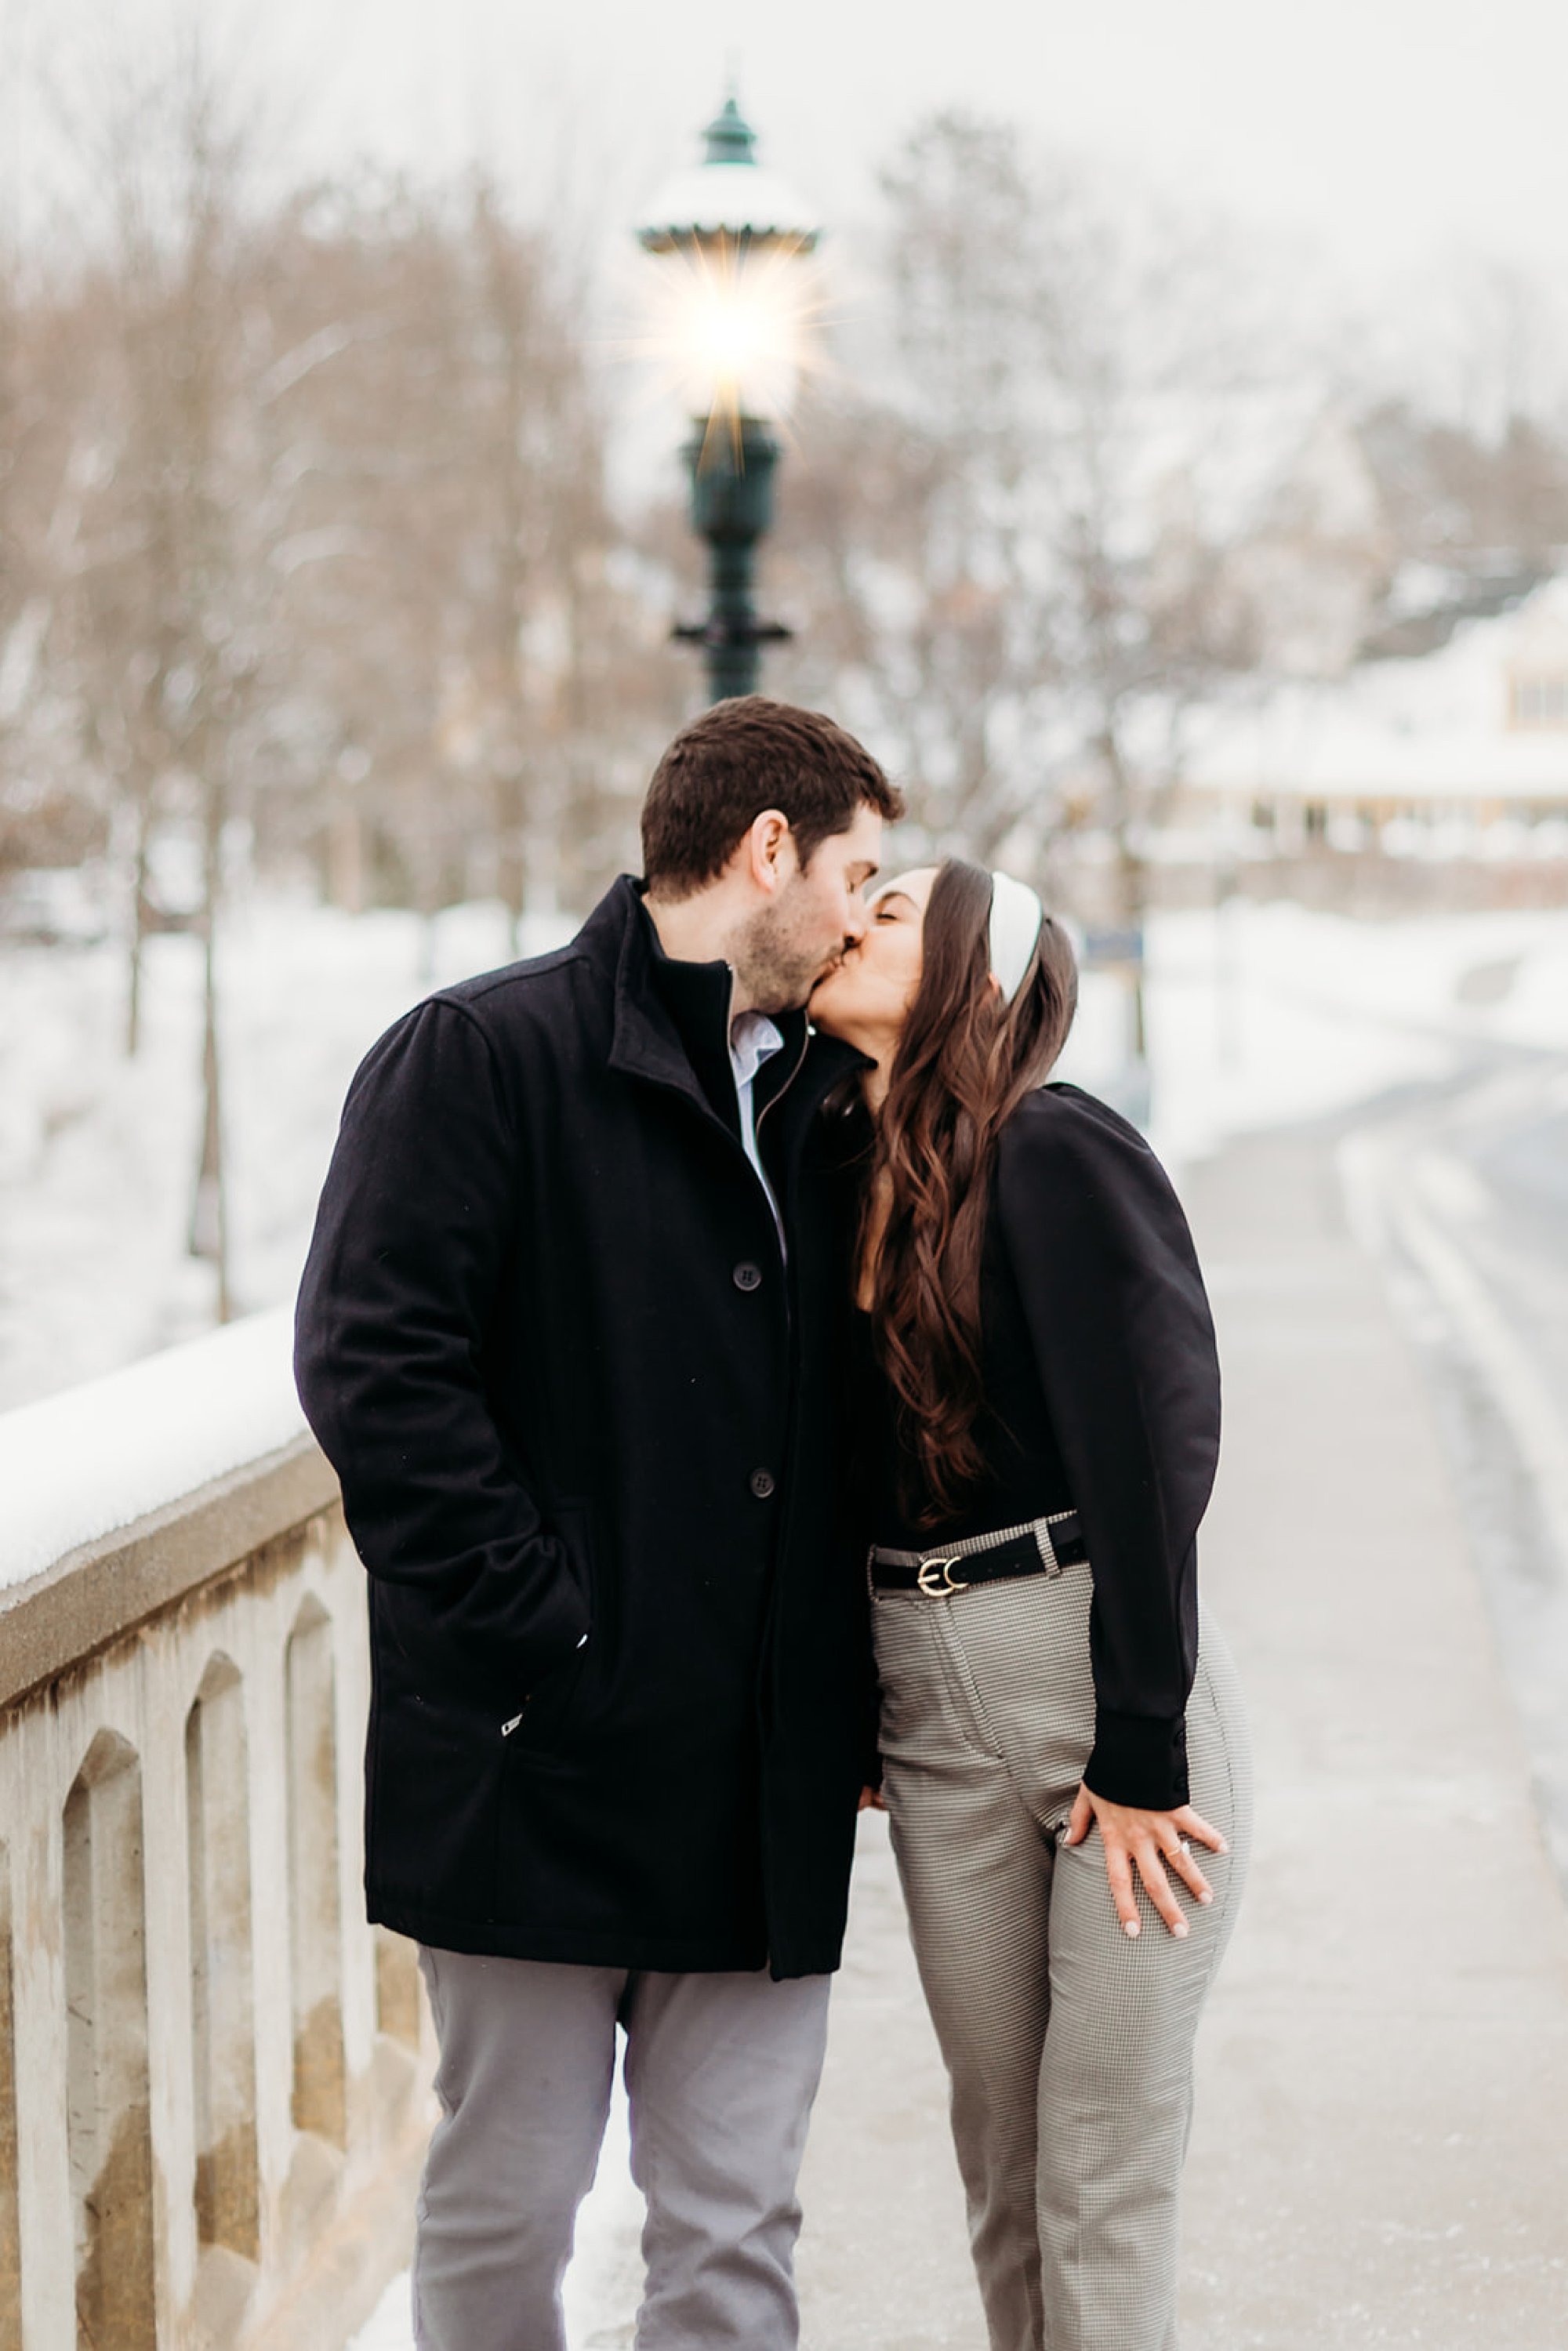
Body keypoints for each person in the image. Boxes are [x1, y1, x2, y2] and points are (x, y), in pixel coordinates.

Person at [293, 695, 902, 2351]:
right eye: (858, 871)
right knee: (509, 2202)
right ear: (765, 850)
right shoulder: (479, 1056)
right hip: (533, 1768)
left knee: (736, 2227)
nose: (865, 914)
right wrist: (544, 1641)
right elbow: (376, 1374)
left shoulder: (832, 1104)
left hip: (759, 1783)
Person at [808, 858, 1251, 2351]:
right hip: (928, 1705)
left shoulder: (1059, 1152)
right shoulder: (835, 1167)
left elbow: (1153, 1447)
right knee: (1002, 2170)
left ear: (971, 980)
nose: (849, 922)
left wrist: (1144, 1738)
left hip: (1093, 1686)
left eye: (887, 913)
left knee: (1102, 2173)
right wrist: (864, 1702)